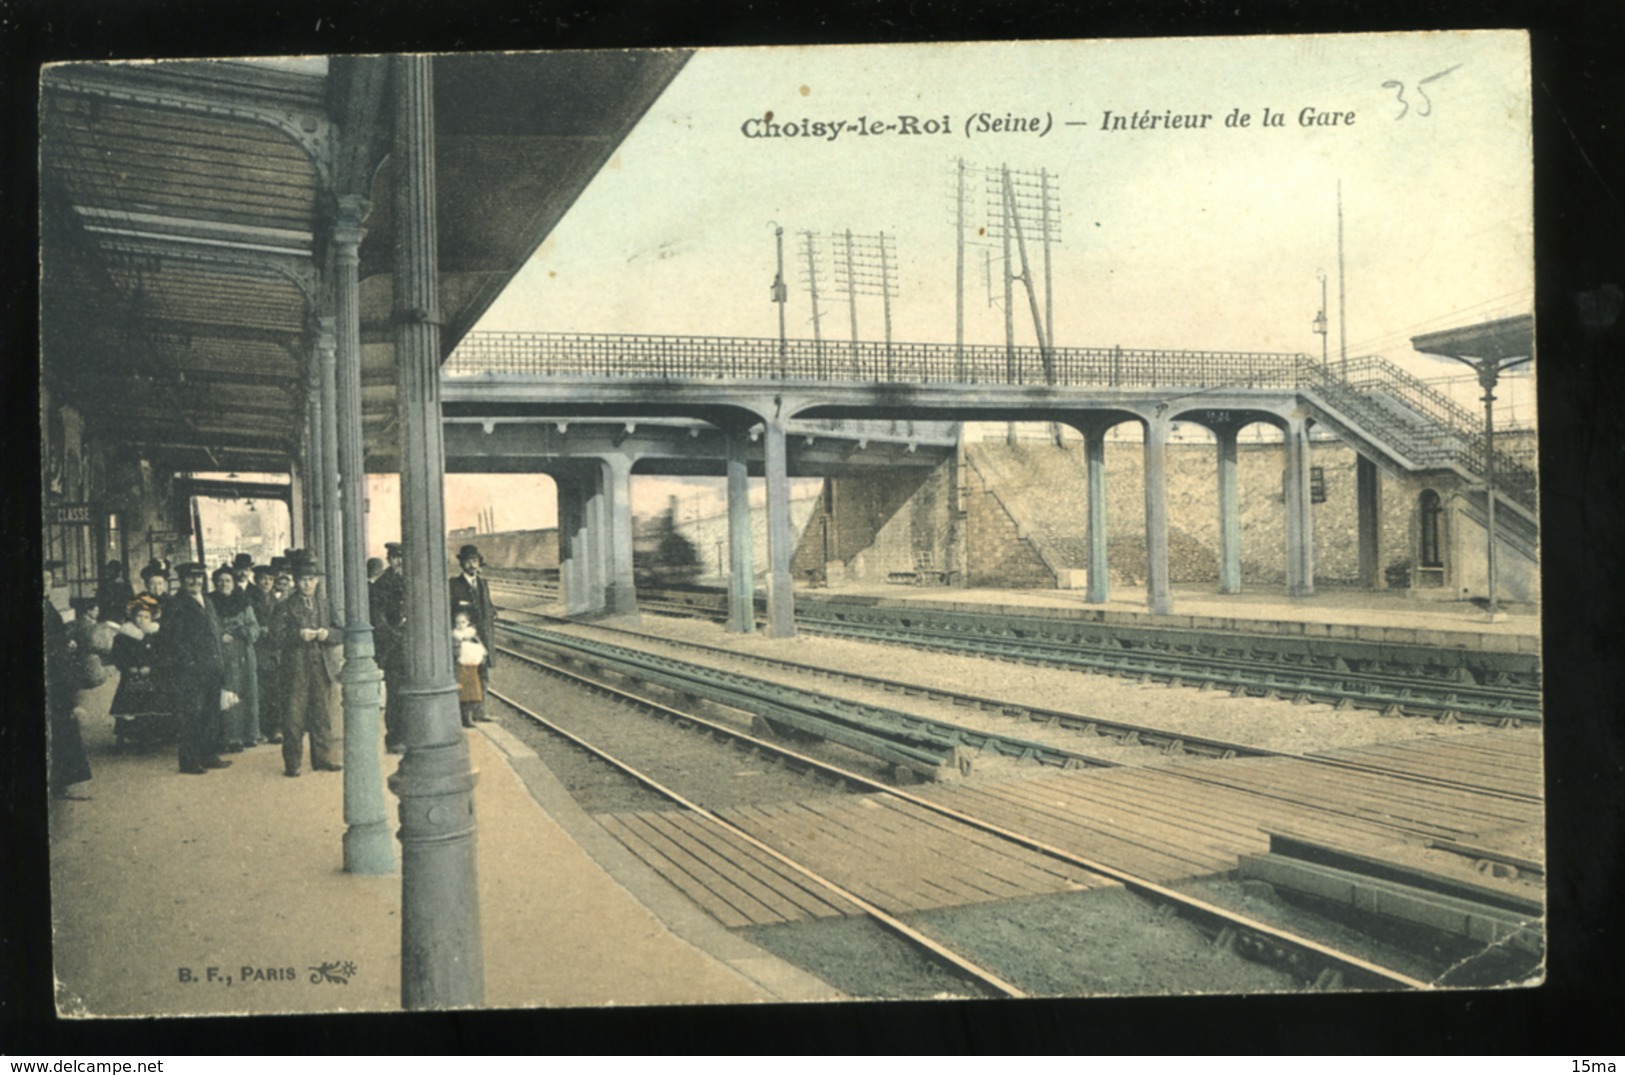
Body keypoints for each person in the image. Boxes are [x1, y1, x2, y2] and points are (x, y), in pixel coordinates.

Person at [271, 554, 343, 777]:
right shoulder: (285, 606)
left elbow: (341, 631)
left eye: (311, 579)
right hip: (295, 669)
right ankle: (292, 763)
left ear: (317, 581)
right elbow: (276, 637)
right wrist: (298, 635)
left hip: (320, 667)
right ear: (295, 581)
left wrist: (326, 634)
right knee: (294, 717)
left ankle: (322, 759)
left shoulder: (325, 604)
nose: (307, 584)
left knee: (321, 715)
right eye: (303, 579)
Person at [165, 561, 234, 775]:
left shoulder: (207, 601)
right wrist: (190, 664)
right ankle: (189, 761)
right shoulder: (176, 604)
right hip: (191, 671)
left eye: (199, 577)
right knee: (191, 715)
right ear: (181, 580)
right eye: (190, 578)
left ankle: (208, 754)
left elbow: (214, 630)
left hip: (212, 667)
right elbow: (174, 641)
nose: (196, 581)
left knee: (211, 713)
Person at [45, 560, 92, 800]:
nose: (46, 585)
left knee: (63, 727)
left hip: (56, 672)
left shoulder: (48, 605)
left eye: (49, 581)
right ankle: (58, 782)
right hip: (52, 675)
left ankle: (61, 782)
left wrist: (65, 643)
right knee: (61, 727)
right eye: (42, 581)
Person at [209, 564, 260, 752]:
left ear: (234, 582)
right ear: (215, 583)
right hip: (222, 653)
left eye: (228, 580)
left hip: (244, 653)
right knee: (227, 692)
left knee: (248, 691)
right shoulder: (210, 602)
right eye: (220, 581)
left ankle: (250, 734)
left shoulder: (243, 601)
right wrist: (220, 634)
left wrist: (243, 633)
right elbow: (209, 626)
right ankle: (231, 737)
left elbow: (254, 626)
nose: (224, 584)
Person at [110, 594, 169, 751]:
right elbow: (117, 655)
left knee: (148, 706)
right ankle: (121, 738)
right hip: (130, 675)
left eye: (146, 617)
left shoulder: (156, 635)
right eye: (139, 616)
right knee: (128, 706)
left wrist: (151, 666)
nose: (142, 620)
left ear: (152, 618)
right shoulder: (124, 636)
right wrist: (127, 667)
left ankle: (146, 738)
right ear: (132, 616)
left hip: (150, 675)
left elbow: (162, 654)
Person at [448, 544, 494, 722]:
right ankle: (465, 715)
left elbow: (488, 607)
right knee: (466, 675)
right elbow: (451, 611)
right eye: (468, 561)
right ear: (462, 564)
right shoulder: (454, 584)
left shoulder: (483, 583)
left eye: (475, 561)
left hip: (483, 637)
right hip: (465, 638)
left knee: (483, 674)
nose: (472, 565)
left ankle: (479, 712)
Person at [369, 541, 408, 753]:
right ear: (389, 559)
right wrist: (394, 635)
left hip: (410, 646)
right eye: (395, 557)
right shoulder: (382, 584)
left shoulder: (411, 580)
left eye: (402, 557)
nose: (399, 562)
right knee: (395, 696)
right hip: (393, 648)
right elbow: (378, 617)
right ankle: (394, 738)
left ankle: (408, 735)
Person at [248, 563, 280, 745]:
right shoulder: (249, 599)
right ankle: (260, 729)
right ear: (256, 580)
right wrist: (260, 630)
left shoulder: (276, 601)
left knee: (274, 693)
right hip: (258, 650)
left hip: (274, 651)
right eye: (263, 579)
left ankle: (274, 728)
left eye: (270, 579)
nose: (267, 582)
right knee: (259, 692)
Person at [452, 609, 488, 729]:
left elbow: (481, 649)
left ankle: (471, 716)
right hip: (461, 668)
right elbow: (455, 651)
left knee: (473, 693)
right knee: (464, 694)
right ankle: (465, 718)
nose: (460, 625)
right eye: (458, 623)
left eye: (463, 622)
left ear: (467, 623)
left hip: (472, 667)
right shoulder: (455, 636)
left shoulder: (472, 634)